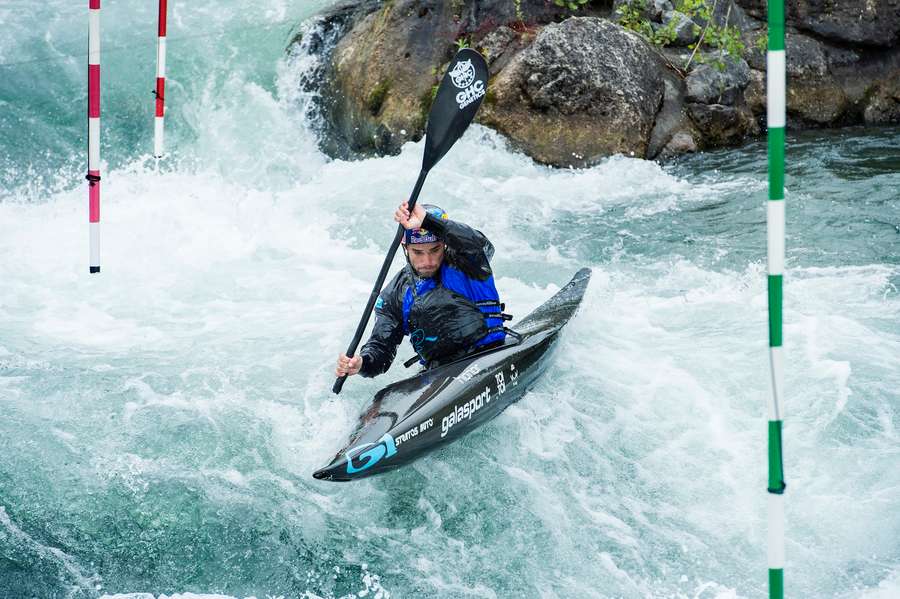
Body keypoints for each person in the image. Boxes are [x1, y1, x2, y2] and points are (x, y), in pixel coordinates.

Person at [335, 201, 509, 378]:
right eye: (418, 252)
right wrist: (363, 363)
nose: (428, 261)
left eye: (435, 250)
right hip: (439, 372)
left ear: (445, 245)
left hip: (487, 355)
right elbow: (381, 347)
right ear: (406, 249)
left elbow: (478, 244)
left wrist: (428, 222)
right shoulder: (395, 294)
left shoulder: (467, 263)